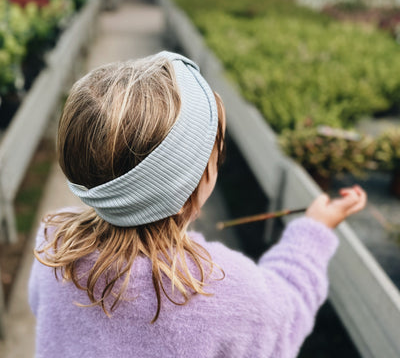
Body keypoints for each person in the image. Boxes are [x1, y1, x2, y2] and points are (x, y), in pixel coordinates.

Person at [29, 51, 367, 358]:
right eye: (213, 158)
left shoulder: (53, 246)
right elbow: (285, 314)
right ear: (190, 187)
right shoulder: (220, 290)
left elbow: (41, 307)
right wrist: (313, 231)